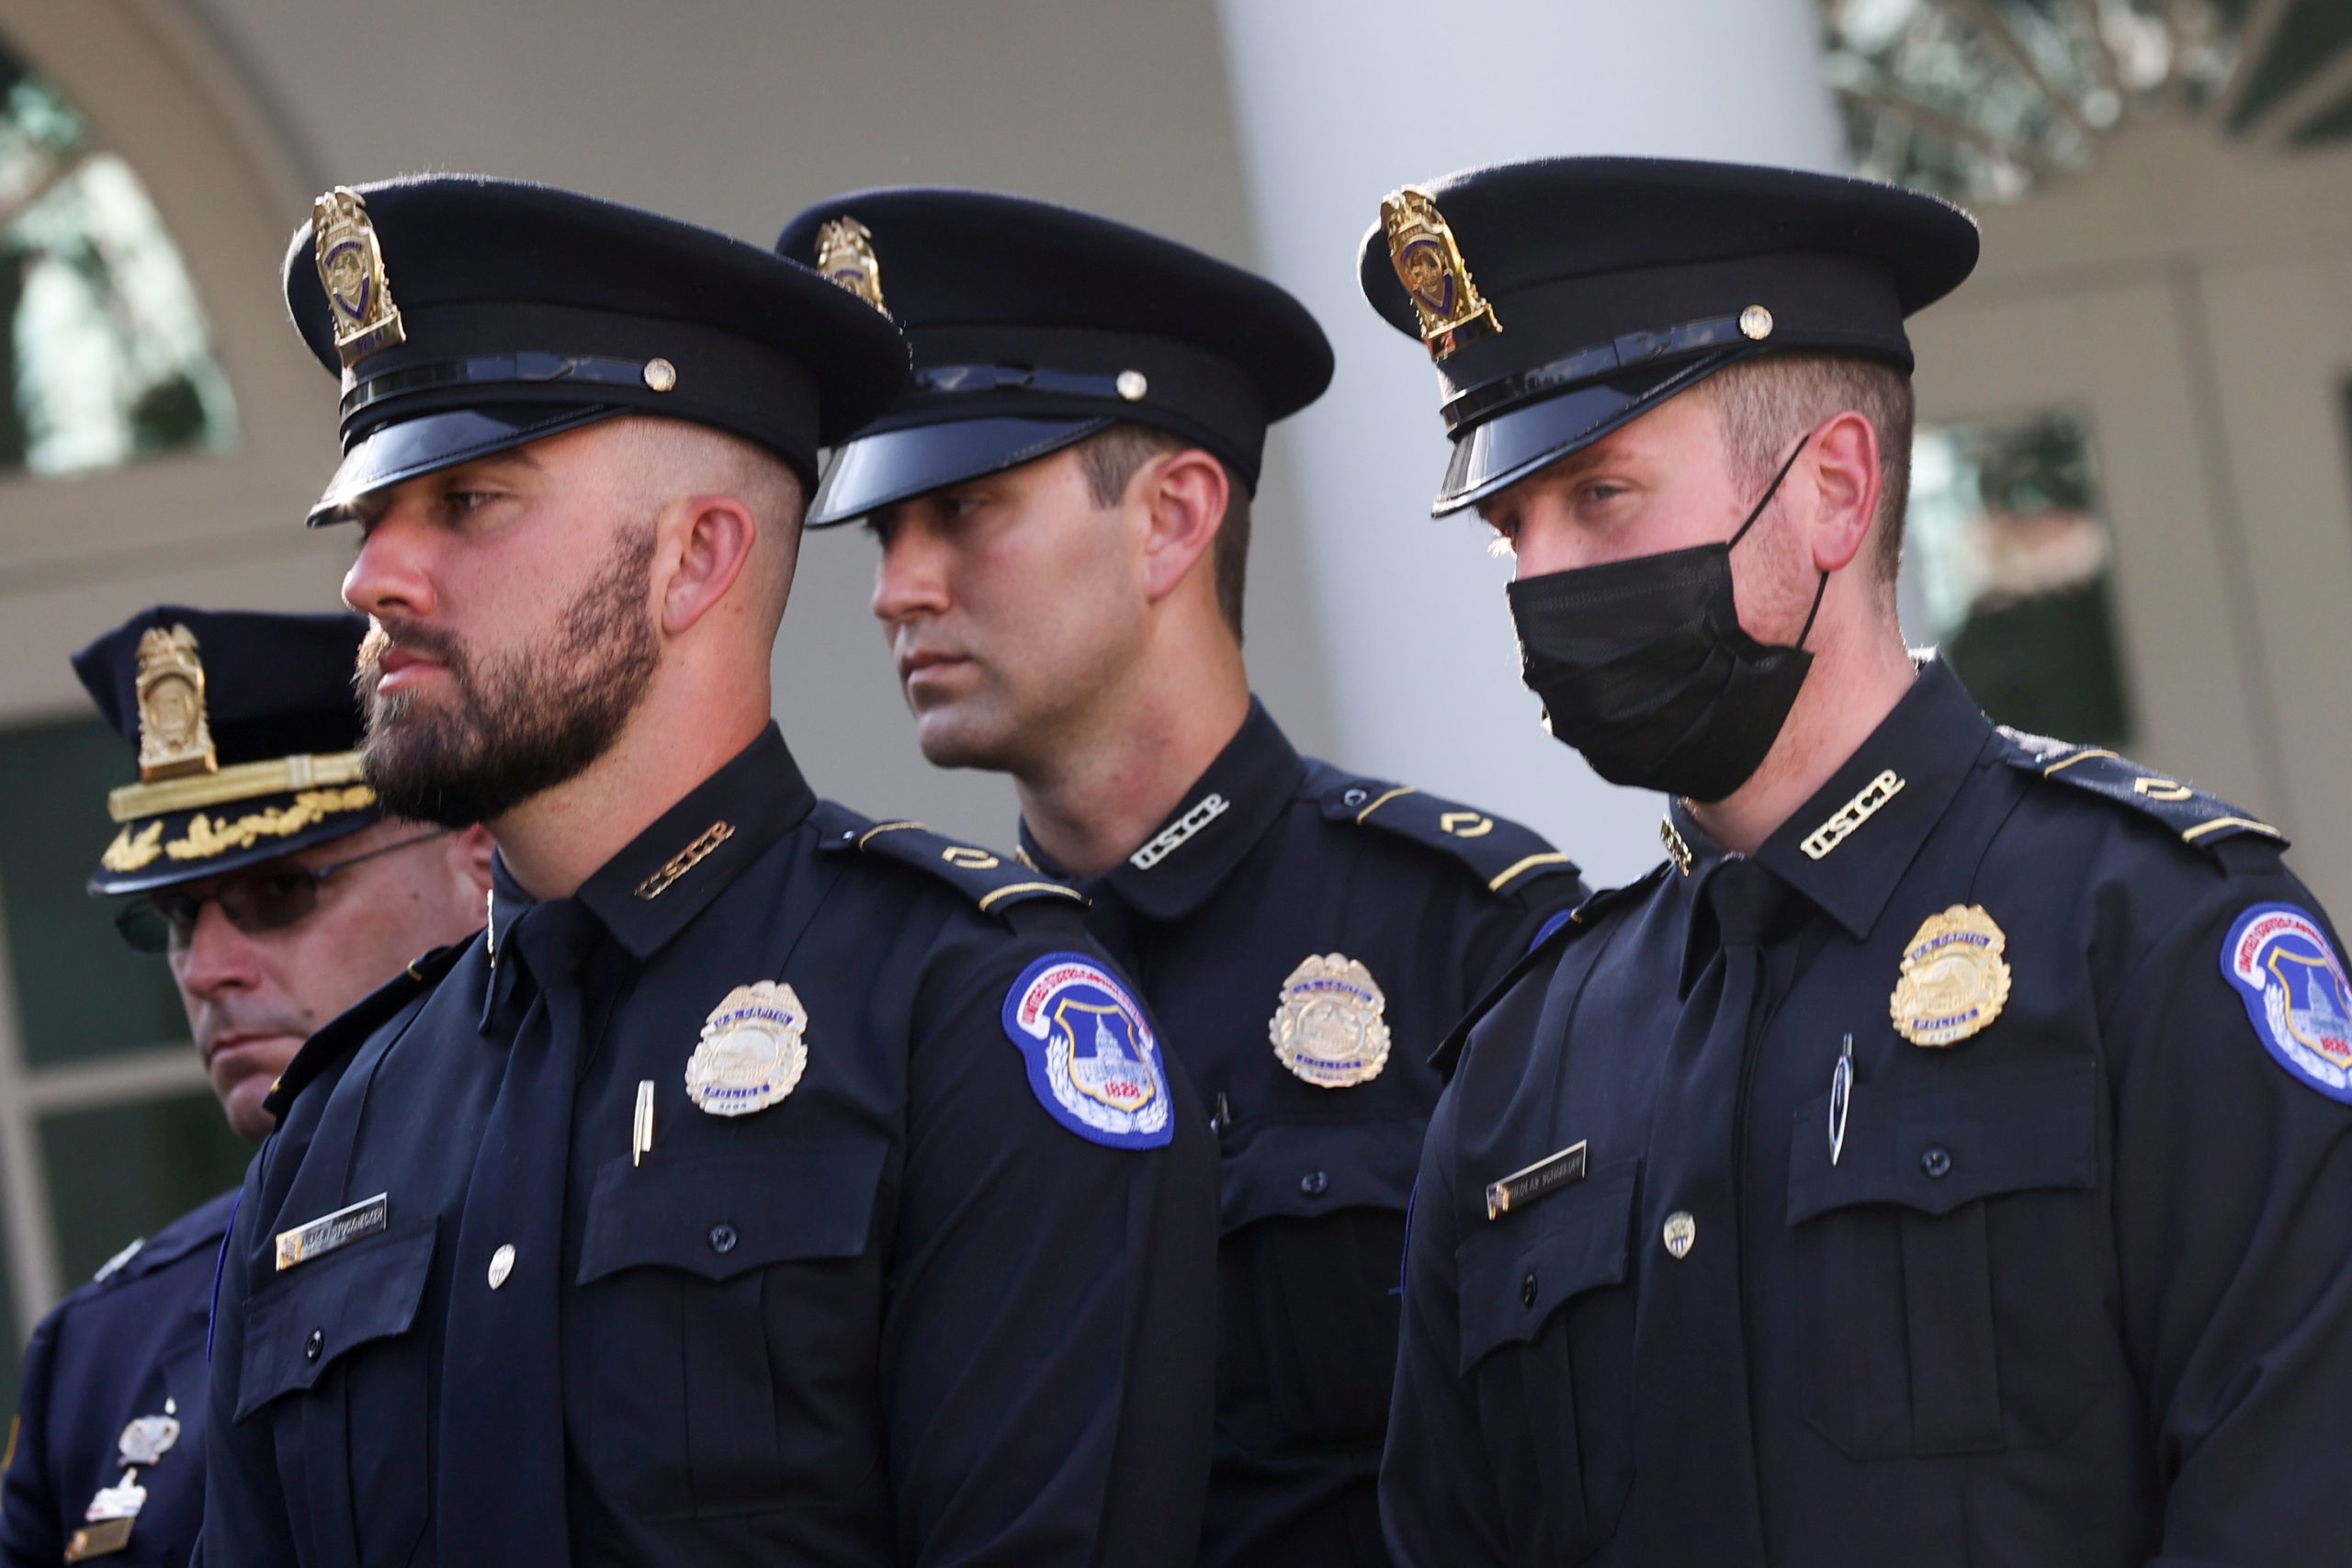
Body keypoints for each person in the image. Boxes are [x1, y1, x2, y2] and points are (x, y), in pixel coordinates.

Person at [196, 175, 1216, 1567]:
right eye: (371, 513)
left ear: (698, 556)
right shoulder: (340, 1126)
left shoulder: (965, 1016)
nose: (374, 574)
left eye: (466, 498)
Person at [1358, 156, 2352, 1568]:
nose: (1537, 582)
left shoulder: (2154, 942)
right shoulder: (1523, 1070)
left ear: (1832, 489)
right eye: (1514, 529)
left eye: (1601, 494)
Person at [775, 188, 1588, 1568]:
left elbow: (1583, 1465)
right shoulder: (889, 988)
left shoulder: (1464, 937)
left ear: (1172, 519)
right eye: (879, 534)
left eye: (961, 509)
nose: (894, 588)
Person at [0, 605, 491, 1567]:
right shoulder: (104, 1348)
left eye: (280, 892)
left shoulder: (595, 1216)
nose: (204, 967)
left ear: (479, 863)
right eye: (177, 919)